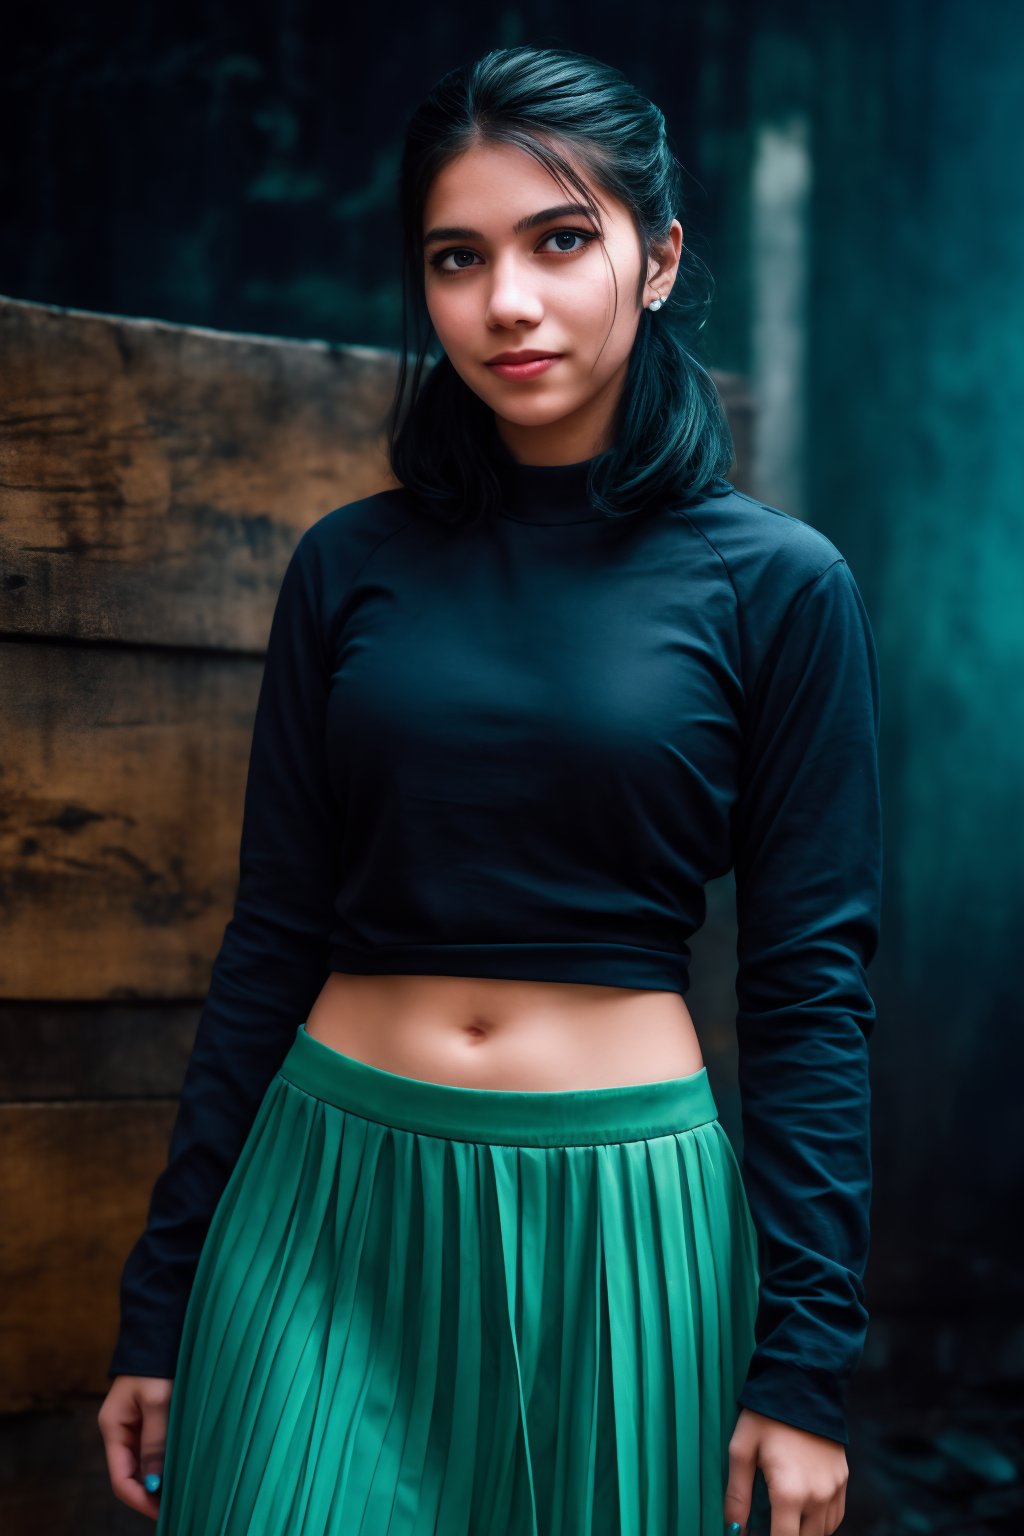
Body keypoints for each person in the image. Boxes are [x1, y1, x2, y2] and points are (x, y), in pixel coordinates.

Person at [97, 43, 881, 1536]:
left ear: (657, 260)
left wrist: (806, 1372)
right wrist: (163, 1300)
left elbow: (811, 993)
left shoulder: (779, 586)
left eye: (560, 240)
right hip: (322, 1209)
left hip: (620, 1229)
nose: (505, 302)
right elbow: (271, 936)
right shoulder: (351, 565)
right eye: (458, 258)